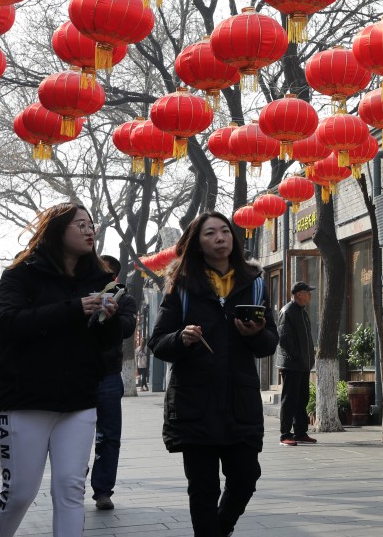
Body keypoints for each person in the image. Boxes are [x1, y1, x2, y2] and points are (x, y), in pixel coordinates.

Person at [0, 203, 123, 537]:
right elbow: (7, 321)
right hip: (26, 398)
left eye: (91, 225)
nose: (89, 231)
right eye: (80, 225)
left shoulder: (100, 277)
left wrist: (109, 318)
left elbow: (106, 342)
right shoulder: (21, 273)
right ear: (57, 230)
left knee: (71, 490)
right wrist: (73, 308)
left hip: (79, 399)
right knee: (19, 493)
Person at [148, 212, 278, 537]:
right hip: (195, 403)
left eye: (225, 231)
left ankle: (221, 529)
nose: (220, 238)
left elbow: (269, 343)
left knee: (246, 478)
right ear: (197, 243)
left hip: (240, 402)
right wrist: (181, 338)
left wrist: (255, 335)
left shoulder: (255, 284)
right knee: (203, 488)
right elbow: (158, 343)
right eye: (210, 233)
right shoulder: (182, 287)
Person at [90, 255, 137, 511]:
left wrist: (113, 313)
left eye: (105, 273)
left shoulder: (124, 299)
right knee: (74, 434)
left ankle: (103, 491)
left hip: (108, 374)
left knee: (108, 436)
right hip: (78, 376)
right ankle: (72, 483)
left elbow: (127, 328)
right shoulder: (81, 295)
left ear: (114, 277)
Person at [276, 281, 317, 446]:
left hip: (303, 364)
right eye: (307, 292)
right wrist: (298, 356)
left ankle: (300, 432)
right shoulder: (287, 311)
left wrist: (310, 357)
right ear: (298, 294)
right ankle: (285, 434)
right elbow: (284, 339)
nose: (310, 295)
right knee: (290, 399)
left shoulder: (302, 312)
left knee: (302, 399)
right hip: (292, 365)